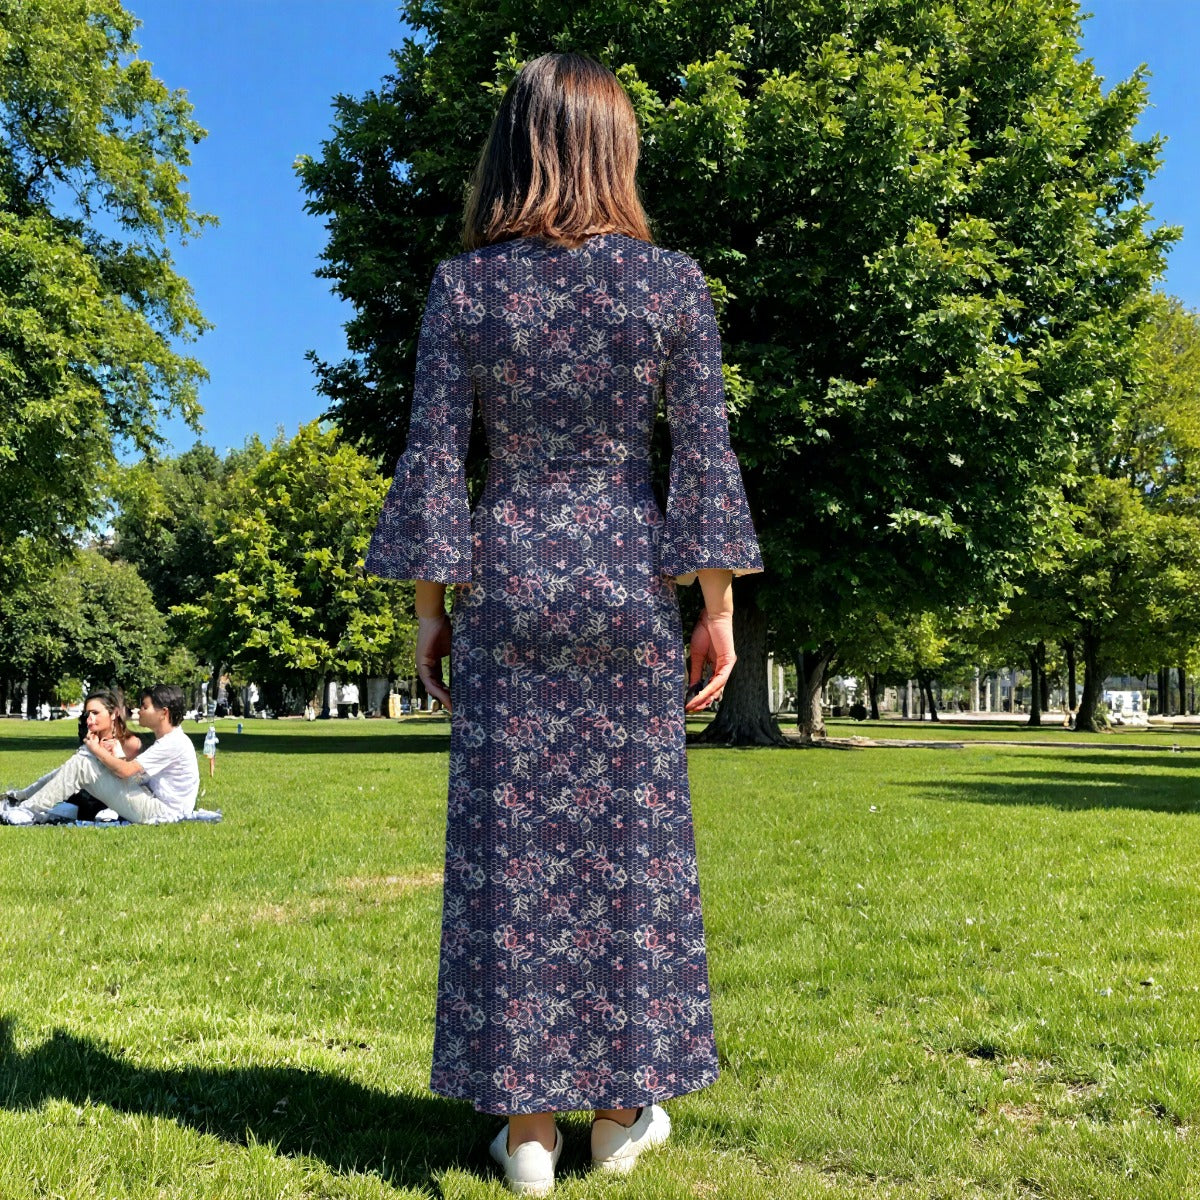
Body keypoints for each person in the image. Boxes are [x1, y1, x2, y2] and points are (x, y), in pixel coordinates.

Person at [365, 53, 762, 1195]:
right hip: (628, 587)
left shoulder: (464, 289)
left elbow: (436, 458)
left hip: (510, 585)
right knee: (629, 859)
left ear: (515, 146)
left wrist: (431, 609)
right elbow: (702, 455)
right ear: (613, 148)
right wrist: (716, 605)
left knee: (513, 859)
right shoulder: (671, 284)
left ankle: (528, 1133)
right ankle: (617, 1118)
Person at [1, 684, 200, 826]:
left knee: (84, 762)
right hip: (153, 803)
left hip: (162, 813)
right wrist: (109, 757)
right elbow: (137, 776)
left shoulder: (173, 743)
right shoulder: (170, 740)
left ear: (163, 713)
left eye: (145, 707)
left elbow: (126, 772)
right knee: (84, 759)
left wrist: (97, 750)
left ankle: (27, 809)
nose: (139, 710)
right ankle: (19, 800)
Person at [4, 690, 144, 821]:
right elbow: (68, 773)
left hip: (114, 802)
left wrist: (106, 753)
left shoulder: (130, 743)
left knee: (77, 767)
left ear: (114, 714)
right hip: (86, 797)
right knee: (61, 773)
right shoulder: (93, 740)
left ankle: (27, 807)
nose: (90, 719)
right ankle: (20, 798)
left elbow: (131, 780)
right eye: (88, 714)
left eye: (96, 713)